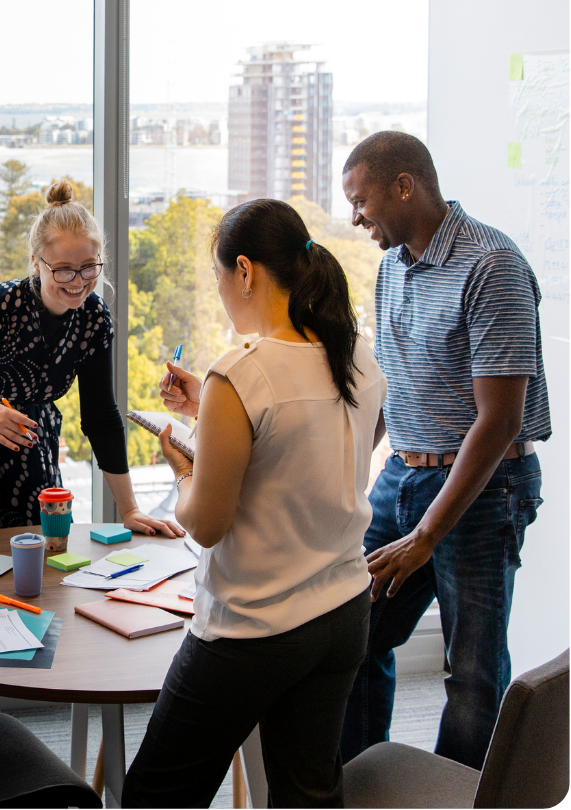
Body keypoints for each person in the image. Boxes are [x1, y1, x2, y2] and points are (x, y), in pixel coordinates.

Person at [121, 199, 387, 808]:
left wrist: (186, 471)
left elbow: (207, 525)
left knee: (157, 795)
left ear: (244, 270)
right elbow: (332, 445)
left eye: (219, 277)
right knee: (307, 793)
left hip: (253, 628)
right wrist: (209, 417)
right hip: (342, 612)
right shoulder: (355, 353)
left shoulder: (241, 373)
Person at [339, 131, 551, 770]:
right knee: (353, 632)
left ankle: (459, 794)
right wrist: (342, 468)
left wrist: (428, 534)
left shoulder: (493, 265)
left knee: (472, 672)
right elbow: (393, 382)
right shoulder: (392, 264)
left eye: (361, 201)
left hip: (487, 490)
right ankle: (361, 783)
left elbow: (499, 422)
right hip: (403, 475)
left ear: (404, 185)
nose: (356, 218)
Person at [0, 179, 182, 539]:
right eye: (63, 269)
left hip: (26, 432)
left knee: (38, 545)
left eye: (89, 267)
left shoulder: (94, 319)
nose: (78, 281)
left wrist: (129, 509)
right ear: (36, 263)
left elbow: (101, 417)